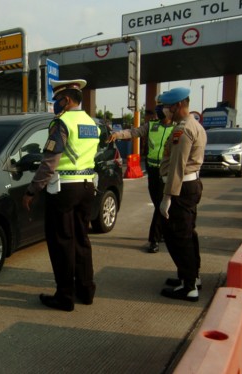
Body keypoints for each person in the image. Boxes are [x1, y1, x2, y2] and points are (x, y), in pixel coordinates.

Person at [22, 79, 100, 312]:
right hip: (87, 186)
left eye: (56, 100)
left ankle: (64, 296)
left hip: (64, 189)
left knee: (62, 242)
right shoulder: (91, 122)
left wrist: (32, 190)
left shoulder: (61, 123)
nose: (55, 104)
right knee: (81, 240)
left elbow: (49, 162)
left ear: (66, 100)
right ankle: (86, 291)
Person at [157, 87, 207, 302]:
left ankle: (189, 287)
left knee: (179, 237)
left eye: (167, 107)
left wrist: (167, 197)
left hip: (180, 188)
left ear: (178, 106)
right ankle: (191, 277)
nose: (164, 111)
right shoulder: (195, 124)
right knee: (188, 233)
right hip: (190, 185)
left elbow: (178, 165)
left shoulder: (182, 130)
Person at [109, 98, 175, 253]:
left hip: (168, 171)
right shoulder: (151, 125)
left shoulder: (177, 127)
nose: (159, 110)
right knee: (160, 204)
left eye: (162, 107)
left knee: (161, 205)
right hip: (153, 171)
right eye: (157, 107)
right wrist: (118, 135)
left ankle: (154, 240)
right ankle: (163, 233)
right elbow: (134, 132)